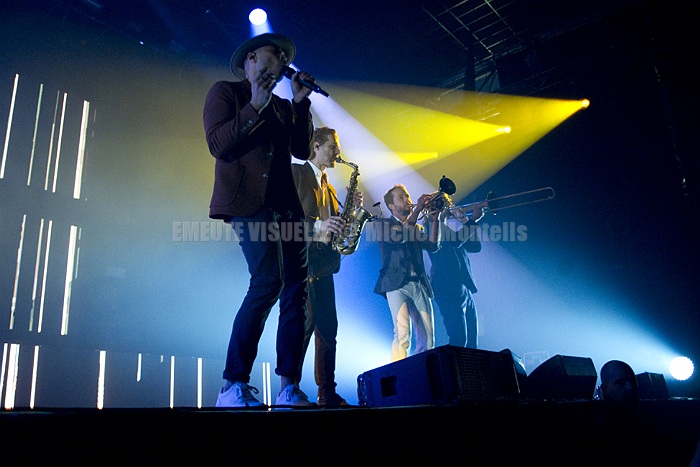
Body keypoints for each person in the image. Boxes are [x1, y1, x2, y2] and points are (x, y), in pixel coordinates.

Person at [203, 33, 318, 408]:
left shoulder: (284, 106)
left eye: (285, 56)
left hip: (287, 206)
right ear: (252, 58)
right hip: (250, 204)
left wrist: (300, 103)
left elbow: (302, 150)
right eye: (276, 53)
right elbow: (219, 145)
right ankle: (232, 384)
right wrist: (254, 103)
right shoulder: (226, 92)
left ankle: (289, 387)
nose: (283, 59)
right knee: (267, 282)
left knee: (296, 290)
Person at [291, 126, 361, 407]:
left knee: (328, 330)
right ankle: (290, 388)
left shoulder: (329, 187)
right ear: (316, 146)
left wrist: (350, 213)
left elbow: (335, 228)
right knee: (303, 328)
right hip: (303, 263)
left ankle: (327, 392)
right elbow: (288, 219)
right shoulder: (296, 173)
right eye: (333, 146)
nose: (337, 152)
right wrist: (320, 225)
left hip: (325, 266)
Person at [373, 184, 441, 362]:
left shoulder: (416, 228)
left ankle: (423, 372)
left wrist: (437, 219)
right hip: (395, 285)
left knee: (428, 338)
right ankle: (400, 373)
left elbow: (433, 246)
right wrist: (417, 210)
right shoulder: (382, 224)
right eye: (401, 198)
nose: (407, 200)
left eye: (407, 196)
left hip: (418, 283)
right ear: (391, 206)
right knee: (402, 335)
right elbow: (398, 237)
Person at [426, 203, 484, 349]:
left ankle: (469, 364)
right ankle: (453, 364)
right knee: (459, 338)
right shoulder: (431, 226)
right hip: (447, 286)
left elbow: (475, 247)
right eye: (445, 205)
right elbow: (456, 242)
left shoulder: (446, 228)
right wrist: (472, 220)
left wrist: (465, 221)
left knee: (472, 340)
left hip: (464, 285)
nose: (450, 208)